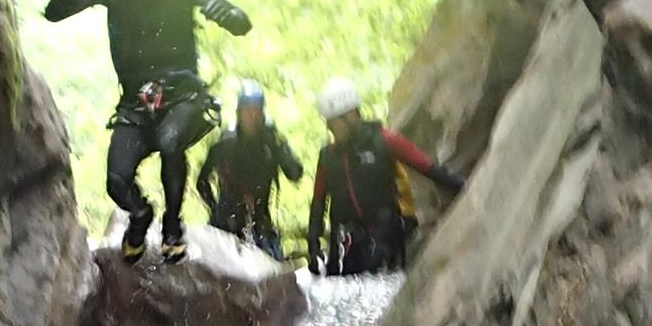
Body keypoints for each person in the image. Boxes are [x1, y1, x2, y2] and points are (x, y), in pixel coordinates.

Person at [45, 0, 252, 264]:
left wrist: (228, 14)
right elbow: (54, 13)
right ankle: (141, 216)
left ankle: (174, 226)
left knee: (171, 142)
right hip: (136, 104)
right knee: (116, 181)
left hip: (182, 96)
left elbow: (241, 23)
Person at [306, 79, 464, 277]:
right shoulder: (328, 156)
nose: (331, 129)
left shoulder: (383, 141)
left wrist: (462, 187)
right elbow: (318, 202)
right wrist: (313, 244)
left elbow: (426, 167)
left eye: (334, 122)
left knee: (377, 276)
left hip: (384, 232)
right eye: (328, 123)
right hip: (346, 240)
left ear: (351, 115)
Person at [197, 83, 303, 260]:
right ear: (239, 113)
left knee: (273, 269)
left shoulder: (270, 143)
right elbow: (202, 180)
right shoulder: (225, 143)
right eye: (247, 112)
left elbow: (295, 174)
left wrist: (279, 146)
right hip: (226, 222)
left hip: (260, 221)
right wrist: (214, 209)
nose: (252, 117)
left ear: (262, 114)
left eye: (256, 112)